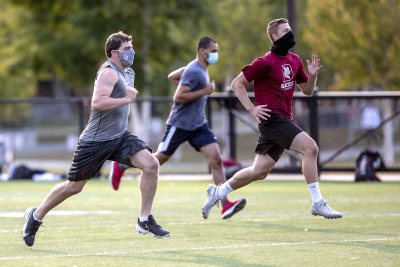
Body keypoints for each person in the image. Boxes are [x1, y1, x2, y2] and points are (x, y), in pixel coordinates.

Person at [22, 31, 170, 247]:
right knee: (73, 187)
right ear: (114, 53)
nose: (132, 52)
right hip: (95, 141)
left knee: (151, 164)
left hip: (119, 136)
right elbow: (97, 103)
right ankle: (35, 216)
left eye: (132, 47)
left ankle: (144, 219)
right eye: (127, 48)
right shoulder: (108, 73)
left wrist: (125, 99)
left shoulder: (129, 72)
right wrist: (126, 99)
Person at [201, 18, 342, 219]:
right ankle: (318, 202)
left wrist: (312, 76)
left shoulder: (294, 60)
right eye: (286, 30)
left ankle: (218, 192)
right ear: (275, 36)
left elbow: (307, 91)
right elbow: (236, 83)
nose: (290, 33)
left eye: (290, 29)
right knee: (310, 148)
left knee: (259, 171)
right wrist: (251, 109)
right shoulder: (264, 62)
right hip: (272, 120)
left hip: (284, 119)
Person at [109, 36, 246, 220]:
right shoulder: (195, 70)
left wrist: (186, 76)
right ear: (202, 51)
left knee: (216, 159)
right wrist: (203, 91)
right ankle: (121, 165)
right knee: (156, 161)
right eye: (213, 51)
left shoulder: (197, 69)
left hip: (198, 124)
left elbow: (172, 76)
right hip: (180, 124)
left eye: (216, 51)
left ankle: (225, 203)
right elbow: (178, 97)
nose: (216, 54)